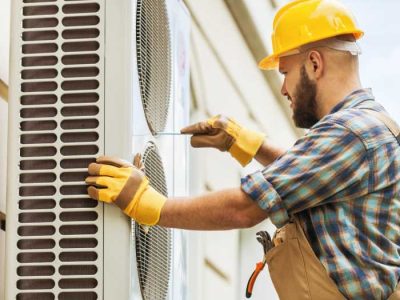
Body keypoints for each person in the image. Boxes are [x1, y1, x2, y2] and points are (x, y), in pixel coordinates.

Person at [85, 0, 400, 299]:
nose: (283, 89)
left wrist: (147, 204)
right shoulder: (368, 126)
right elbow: (314, 176)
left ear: (314, 64)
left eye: (285, 72)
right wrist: (246, 142)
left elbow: (244, 208)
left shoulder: (350, 131)